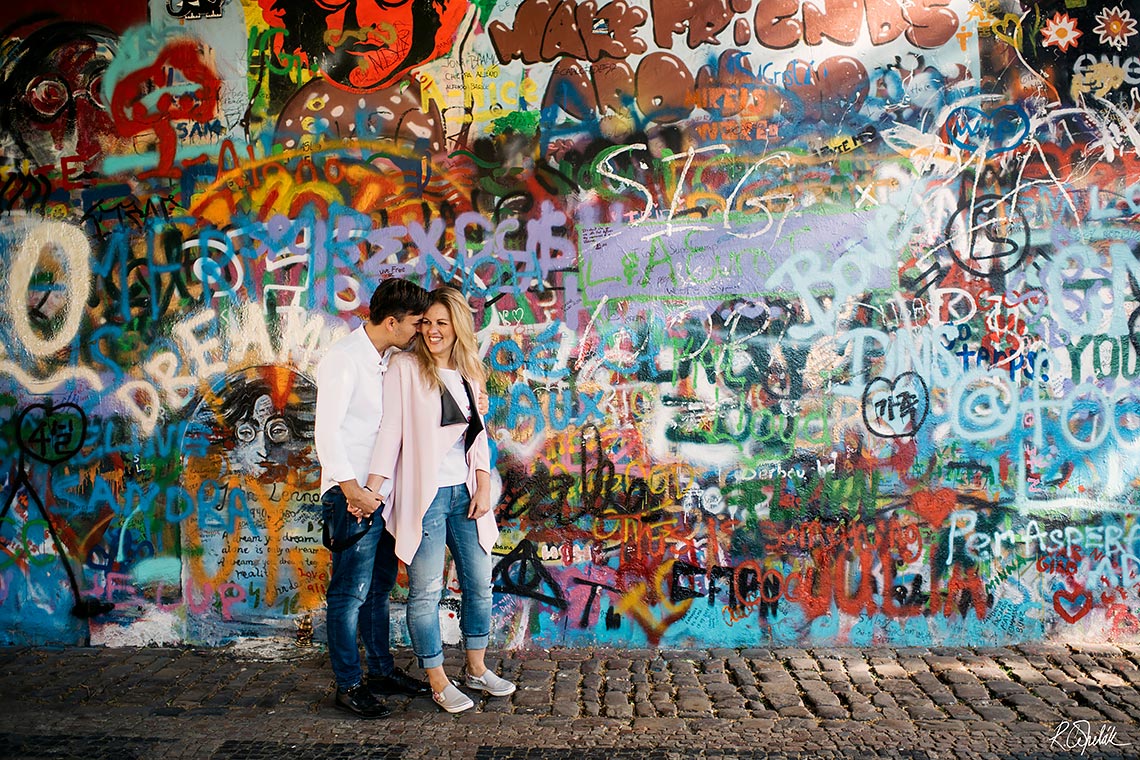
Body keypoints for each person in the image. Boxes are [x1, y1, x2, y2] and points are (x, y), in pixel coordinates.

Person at [365, 286, 514, 713]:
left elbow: (478, 437)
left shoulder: (471, 372)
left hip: (465, 494)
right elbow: (390, 432)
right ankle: (436, 678)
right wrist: (373, 490)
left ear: (458, 327)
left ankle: (476, 667)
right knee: (426, 591)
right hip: (425, 497)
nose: (432, 331)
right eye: (426, 322)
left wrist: (483, 485)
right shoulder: (405, 367)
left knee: (479, 585)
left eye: (441, 323)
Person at [314, 277, 432, 719]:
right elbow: (326, 432)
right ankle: (349, 683)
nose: (420, 329)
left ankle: (381, 670)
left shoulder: (389, 358)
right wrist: (353, 491)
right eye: (416, 322)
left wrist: (375, 495)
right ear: (390, 321)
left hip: (378, 496)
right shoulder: (344, 360)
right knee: (349, 593)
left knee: (380, 588)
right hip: (350, 498)